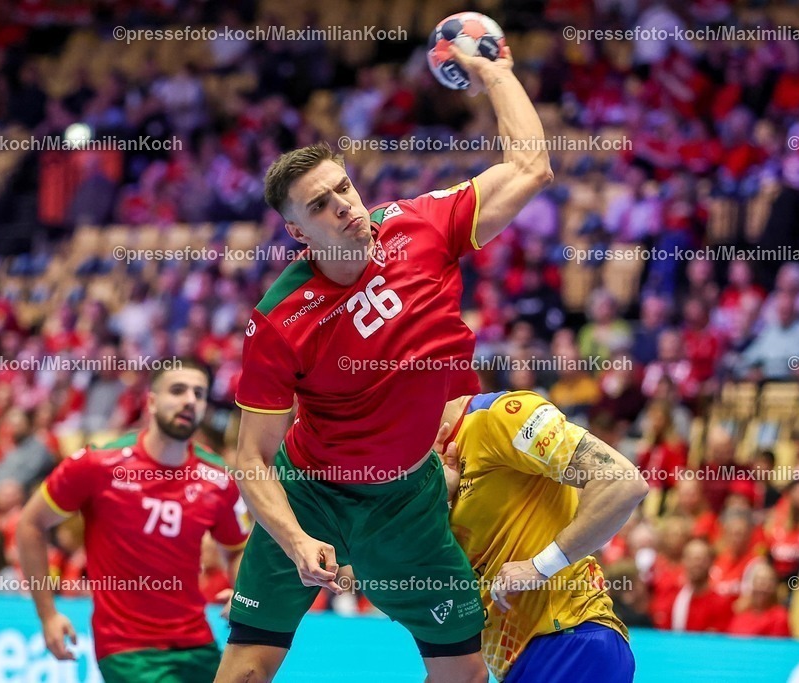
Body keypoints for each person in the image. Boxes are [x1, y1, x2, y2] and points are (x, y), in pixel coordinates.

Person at [219, 45, 554, 683]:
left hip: (407, 500)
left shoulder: (420, 227)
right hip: (310, 493)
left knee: (463, 675)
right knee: (245, 672)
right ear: (297, 233)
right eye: (320, 205)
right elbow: (251, 460)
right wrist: (294, 541)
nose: (344, 205)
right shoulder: (279, 319)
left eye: (343, 188)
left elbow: (531, 167)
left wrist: (494, 72)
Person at [17, 361, 249, 683]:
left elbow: (237, 549)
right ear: (151, 402)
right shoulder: (98, 465)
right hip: (127, 649)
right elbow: (30, 524)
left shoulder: (218, 479)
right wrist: (48, 615)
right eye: (178, 390)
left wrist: (243, 587)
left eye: (199, 394)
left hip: (197, 642)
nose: (190, 401)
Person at [438, 390, 647, 682]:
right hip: (519, 660)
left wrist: (540, 565)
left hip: (570, 641)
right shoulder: (424, 471)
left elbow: (622, 482)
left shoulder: (502, 415)